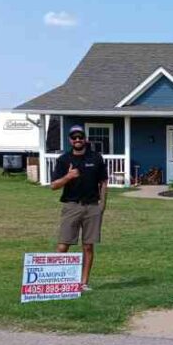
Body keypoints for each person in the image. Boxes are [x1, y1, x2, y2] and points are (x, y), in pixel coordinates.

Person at [50, 125, 107, 292]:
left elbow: (103, 182)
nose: (77, 140)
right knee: (63, 245)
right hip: (71, 206)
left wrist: (102, 205)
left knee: (88, 246)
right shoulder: (63, 160)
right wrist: (68, 176)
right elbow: (53, 185)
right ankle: (55, 281)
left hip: (92, 207)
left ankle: (83, 283)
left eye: (80, 137)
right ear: (70, 140)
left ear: (85, 139)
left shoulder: (96, 158)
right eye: (74, 137)